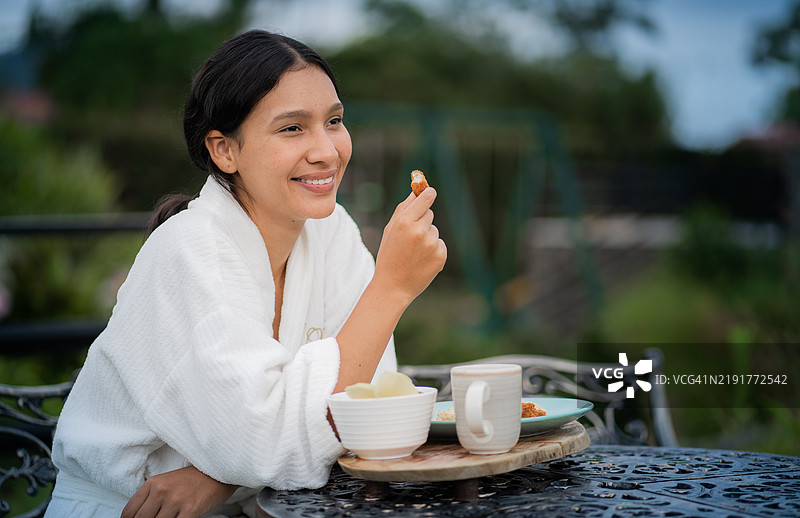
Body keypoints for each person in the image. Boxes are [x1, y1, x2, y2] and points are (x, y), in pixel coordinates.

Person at [45, 29, 446, 518]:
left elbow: (369, 404)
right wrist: (392, 287)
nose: (326, 150)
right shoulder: (191, 251)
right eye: (292, 128)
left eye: (334, 121)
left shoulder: (331, 232)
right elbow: (266, 444)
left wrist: (218, 474)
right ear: (224, 150)